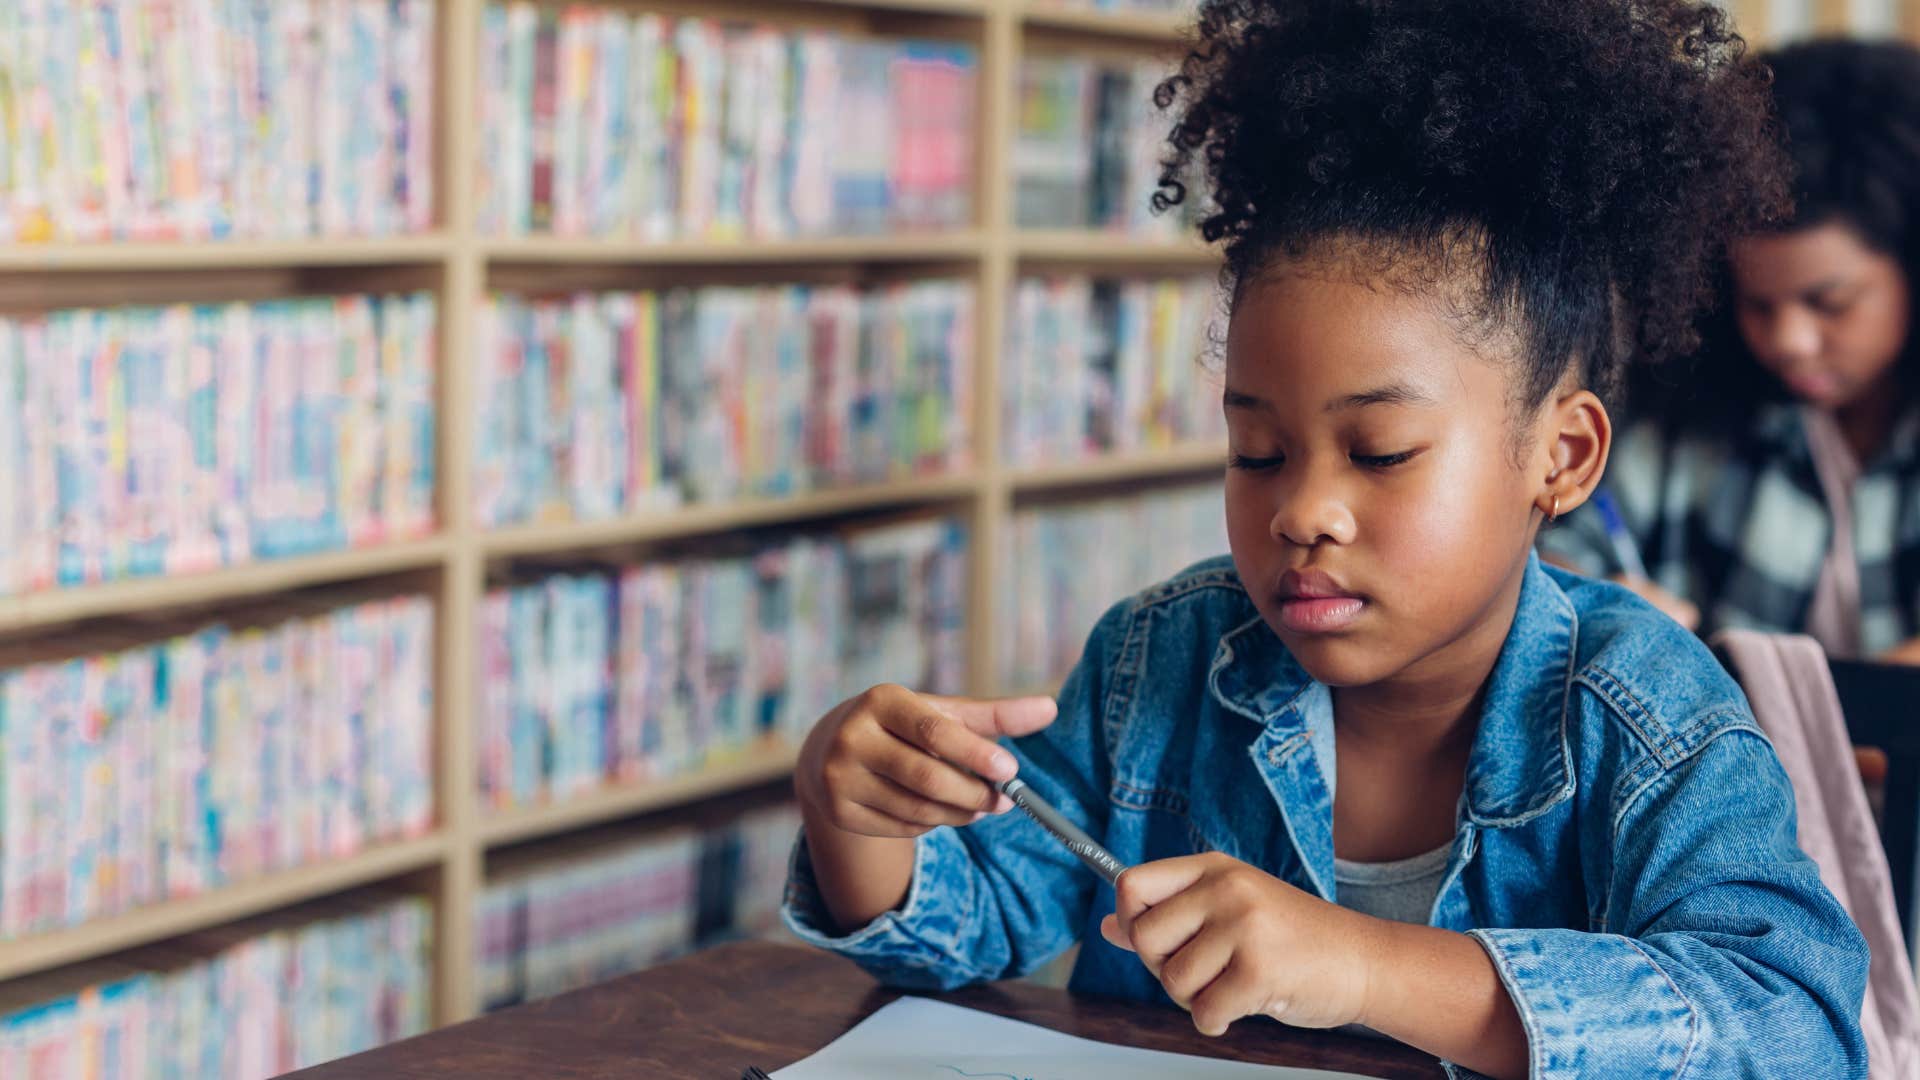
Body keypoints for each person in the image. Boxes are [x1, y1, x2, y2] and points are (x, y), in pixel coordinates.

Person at [781, 2, 1870, 1076]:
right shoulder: (1155, 664)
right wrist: (855, 819)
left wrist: (1364, 966)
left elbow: (1797, 1032)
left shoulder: (1648, 714)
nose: (1301, 511)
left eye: (1381, 452)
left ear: (1563, 457)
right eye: (1257, 451)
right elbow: (958, 935)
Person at [1542, 39, 1920, 664]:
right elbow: (1555, 554)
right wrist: (1593, 598)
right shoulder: (1681, 426)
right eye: (1758, 305)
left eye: (1830, 302)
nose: (1790, 341)